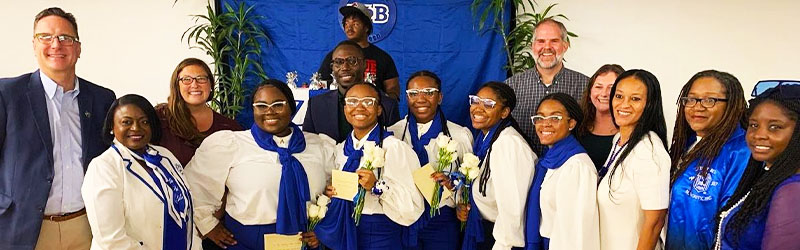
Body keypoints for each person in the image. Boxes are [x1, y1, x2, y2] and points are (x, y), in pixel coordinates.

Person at [0, 7, 116, 249]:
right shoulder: (7, 95)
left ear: (78, 48)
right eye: (46, 37)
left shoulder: (103, 99)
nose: (56, 44)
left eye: (66, 38)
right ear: (34, 45)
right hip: (25, 230)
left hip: (86, 227)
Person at [185, 79, 332, 250]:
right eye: (261, 106)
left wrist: (322, 232)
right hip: (247, 242)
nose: (269, 112)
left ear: (292, 107)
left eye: (278, 105)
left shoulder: (318, 145)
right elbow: (195, 187)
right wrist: (208, 226)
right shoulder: (232, 144)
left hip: (304, 242)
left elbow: (335, 192)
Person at [82, 94, 200, 249]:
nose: (136, 128)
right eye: (126, 122)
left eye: (144, 121)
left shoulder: (165, 156)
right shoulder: (103, 167)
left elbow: (186, 211)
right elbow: (111, 240)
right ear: (112, 126)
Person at [315, 83, 424, 250]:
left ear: (379, 109)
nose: (359, 107)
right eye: (352, 101)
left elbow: (413, 207)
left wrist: (377, 186)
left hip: (380, 235)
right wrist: (331, 194)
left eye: (368, 101)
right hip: (345, 231)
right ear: (345, 110)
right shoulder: (340, 150)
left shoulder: (394, 148)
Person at [387, 71, 473, 250]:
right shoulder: (393, 134)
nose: (421, 99)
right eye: (414, 93)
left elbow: (470, 180)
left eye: (429, 92)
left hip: (442, 221)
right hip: (402, 218)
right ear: (406, 98)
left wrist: (452, 185)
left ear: (440, 97)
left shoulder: (459, 135)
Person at [665, 70, 749, 250]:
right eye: (692, 99)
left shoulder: (740, 152)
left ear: (732, 105)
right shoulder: (687, 144)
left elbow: (730, 224)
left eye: (709, 100)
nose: (698, 107)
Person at [715, 81, 800, 250]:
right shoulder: (769, 176)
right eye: (754, 125)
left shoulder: (793, 191)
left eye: (775, 127)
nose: (759, 135)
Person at [458, 82, 537, 250]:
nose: (478, 108)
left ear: (504, 112)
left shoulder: (508, 144)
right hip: (483, 227)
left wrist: (503, 245)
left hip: (500, 237)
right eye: (476, 101)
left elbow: (512, 206)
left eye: (488, 104)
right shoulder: (483, 139)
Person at [597, 69, 669, 250]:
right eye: (619, 96)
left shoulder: (649, 152)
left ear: (650, 104)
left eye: (635, 99)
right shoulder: (619, 140)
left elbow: (655, 222)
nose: (624, 104)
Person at [525, 93, 599, 250]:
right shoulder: (548, 161)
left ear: (571, 123)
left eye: (555, 118)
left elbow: (577, 231)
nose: (545, 124)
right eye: (540, 117)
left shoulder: (577, 166)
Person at [505, 18, 589, 155]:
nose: (547, 47)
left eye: (554, 41)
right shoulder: (511, 86)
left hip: (566, 168)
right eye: (541, 41)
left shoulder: (586, 86)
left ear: (565, 46)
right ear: (533, 46)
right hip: (521, 168)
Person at [304, 40, 401, 143]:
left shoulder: (387, 105)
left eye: (352, 61)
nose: (345, 67)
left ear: (364, 64)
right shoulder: (316, 105)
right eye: (338, 62)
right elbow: (308, 147)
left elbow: (393, 149)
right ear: (332, 67)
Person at [155, 58, 243, 166]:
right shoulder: (159, 119)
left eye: (201, 78)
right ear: (177, 86)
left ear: (211, 84)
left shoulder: (229, 127)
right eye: (187, 79)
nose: (194, 85)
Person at [316, 2, 400, 99]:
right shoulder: (334, 56)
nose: (349, 28)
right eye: (346, 23)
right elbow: (321, 86)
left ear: (366, 28)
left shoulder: (382, 57)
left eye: (355, 24)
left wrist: (380, 104)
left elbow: (393, 89)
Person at [577, 64, 625, 170]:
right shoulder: (577, 126)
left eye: (611, 88)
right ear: (590, 92)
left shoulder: (629, 133)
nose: (604, 93)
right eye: (598, 87)